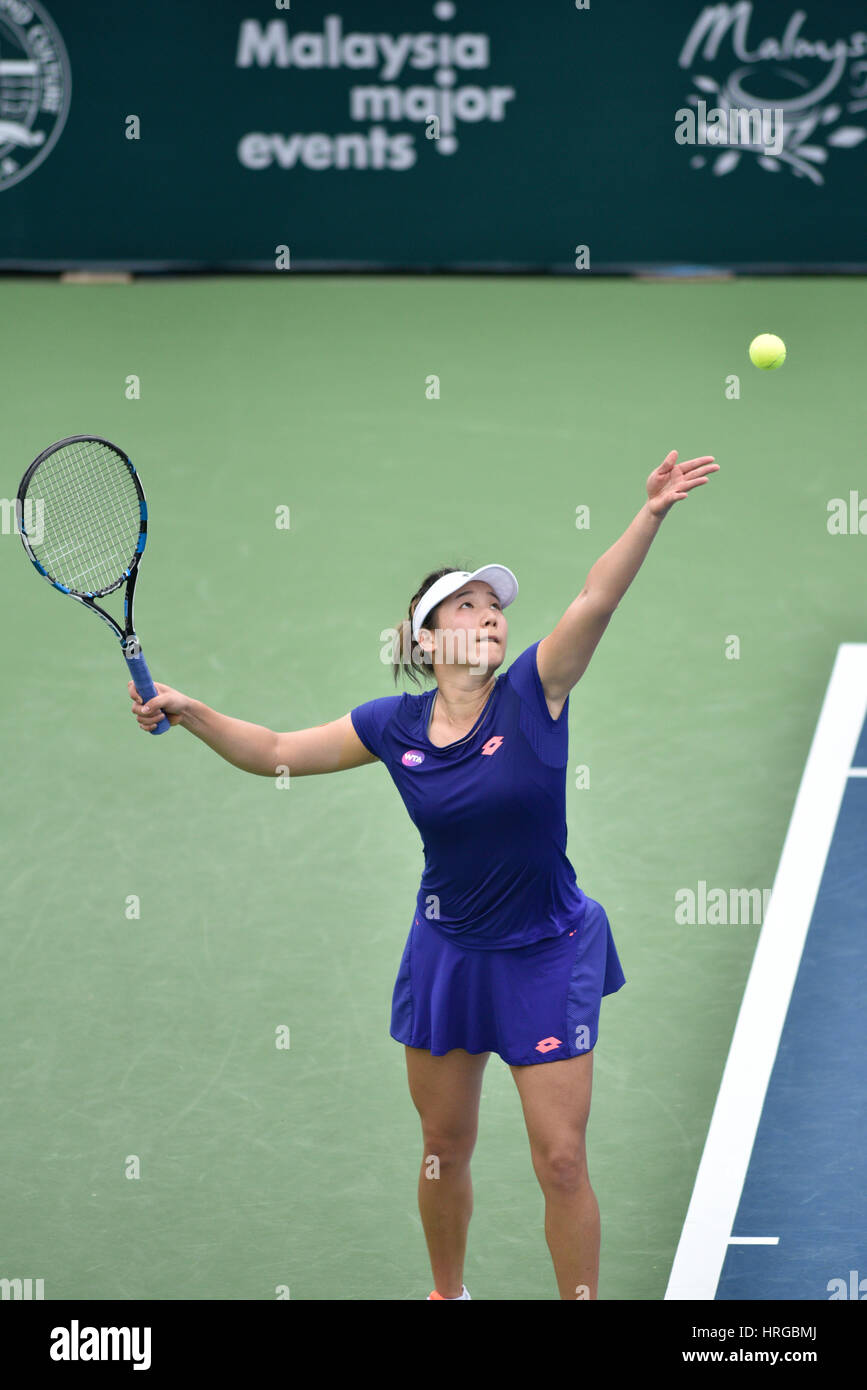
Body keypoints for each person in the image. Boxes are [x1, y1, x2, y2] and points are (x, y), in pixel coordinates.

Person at [130, 449, 718, 1300]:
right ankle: (448, 1295)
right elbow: (278, 754)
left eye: (495, 608)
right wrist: (189, 711)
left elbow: (597, 596)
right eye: (468, 606)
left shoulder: (536, 691)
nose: (491, 619)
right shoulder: (392, 726)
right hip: (448, 953)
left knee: (559, 1159)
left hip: (548, 950)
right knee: (444, 1150)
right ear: (425, 637)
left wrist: (651, 512)